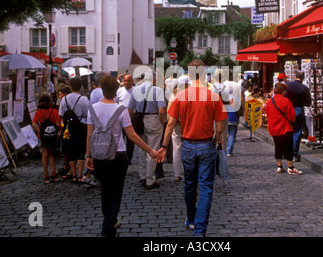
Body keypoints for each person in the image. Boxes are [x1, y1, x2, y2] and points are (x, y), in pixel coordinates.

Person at [158, 59, 228, 237]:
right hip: (206, 144)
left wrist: (164, 146)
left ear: (189, 74)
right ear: (204, 73)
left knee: (189, 184)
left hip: (187, 145)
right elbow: (219, 128)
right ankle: (200, 230)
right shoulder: (214, 97)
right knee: (205, 188)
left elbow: (170, 124)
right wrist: (218, 139)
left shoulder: (180, 96)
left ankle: (190, 218)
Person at [86, 75, 159, 237]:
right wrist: (151, 150)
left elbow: (89, 135)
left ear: (102, 89)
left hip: (99, 155)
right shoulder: (121, 110)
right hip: (118, 155)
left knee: (105, 189)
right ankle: (108, 226)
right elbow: (132, 136)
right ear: (116, 91)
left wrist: (88, 156)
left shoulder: (92, 109)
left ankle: (110, 220)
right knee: (116, 191)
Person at [128, 70, 166, 189]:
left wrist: (134, 120)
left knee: (142, 149)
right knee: (153, 150)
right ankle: (150, 180)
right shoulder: (158, 90)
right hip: (153, 119)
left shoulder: (136, 89)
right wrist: (161, 122)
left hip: (139, 120)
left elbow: (129, 109)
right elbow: (161, 110)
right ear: (154, 79)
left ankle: (142, 175)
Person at [266, 83, 302, 175]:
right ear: (282, 91)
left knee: (278, 147)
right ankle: (290, 167)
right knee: (288, 147)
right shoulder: (286, 101)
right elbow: (291, 116)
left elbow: (268, 115)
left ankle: (279, 166)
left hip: (274, 128)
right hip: (285, 127)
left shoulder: (270, 101)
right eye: (285, 90)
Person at [59, 77, 90, 184]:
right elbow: (88, 115)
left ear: (70, 86)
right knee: (81, 151)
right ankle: (81, 175)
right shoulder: (84, 99)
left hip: (69, 128)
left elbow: (61, 115)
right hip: (82, 127)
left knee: (71, 150)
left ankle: (73, 175)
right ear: (80, 86)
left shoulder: (64, 99)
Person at [32, 93, 62, 184]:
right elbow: (57, 124)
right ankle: (54, 173)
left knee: (44, 155)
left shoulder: (38, 112)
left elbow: (34, 124)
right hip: (52, 135)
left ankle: (46, 176)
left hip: (43, 136)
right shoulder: (54, 111)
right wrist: (61, 128)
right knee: (51, 154)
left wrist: (39, 131)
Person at [284, 71, 311, 162]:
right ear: (303, 78)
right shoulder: (304, 88)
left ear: (295, 77)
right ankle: (294, 154)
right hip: (298, 110)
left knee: (287, 131)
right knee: (297, 132)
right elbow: (308, 103)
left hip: (287, 110)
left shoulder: (287, 85)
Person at [115, 74, 135, 164]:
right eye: (125, 81)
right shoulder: (119, 91)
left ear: (132, 81)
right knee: (120, 138)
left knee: (131, 140)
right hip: (120, 119)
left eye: (128, 81)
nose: (126, 83)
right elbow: (115, 102)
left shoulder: (135, 91)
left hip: (131, 118)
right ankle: (120, 156)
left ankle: (128, 158)